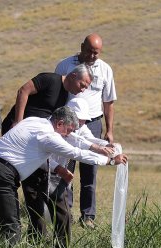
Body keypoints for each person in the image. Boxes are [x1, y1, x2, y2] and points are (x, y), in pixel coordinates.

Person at [0, 107, 127, 246]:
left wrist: (95, 147)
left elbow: (50, 149)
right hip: (0, 174)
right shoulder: (49, 137)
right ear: (59, 124)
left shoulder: (34, 121)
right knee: (12, 230)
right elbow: (75, 152)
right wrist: (110, 160)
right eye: (68, 130)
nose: (68, 134)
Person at [0, 66, 93, 243]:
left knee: (35, 183)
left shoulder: (66, 95)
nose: (83, 89)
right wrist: (18, 121)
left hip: (38, 142)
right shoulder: (50, 80)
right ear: (72, 76)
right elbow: (23, 90)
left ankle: (37, 236)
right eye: (83, 84)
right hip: (21, 137)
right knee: (5, 183)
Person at [55, 34, 118, 230]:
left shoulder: (105, 69)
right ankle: (66, 211)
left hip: (93, 123)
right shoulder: (65, 65)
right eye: (89, 51)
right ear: (81, 47)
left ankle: (88, 215)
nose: (92, 56)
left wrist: (109, 130)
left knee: (90, 170)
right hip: (69, 123)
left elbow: (108, 102)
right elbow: (57, 94)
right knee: (67, 167)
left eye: (96, 53)